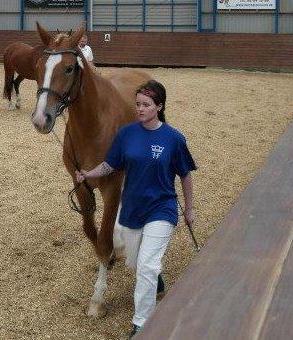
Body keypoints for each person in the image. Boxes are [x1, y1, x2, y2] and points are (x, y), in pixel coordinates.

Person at [75, 80, 196, 338]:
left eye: (146, 105)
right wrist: (88, 173)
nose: (140, 109)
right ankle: (158, 281)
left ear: (159, 106)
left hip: (161, 210)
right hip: (131, 209)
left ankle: (141, 324)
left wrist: (189, 208)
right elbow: (110, 165)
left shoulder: (174, 138)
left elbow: (185, 174)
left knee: (147, 266)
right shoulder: (127, 134)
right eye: (138, 104)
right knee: (135, 262)